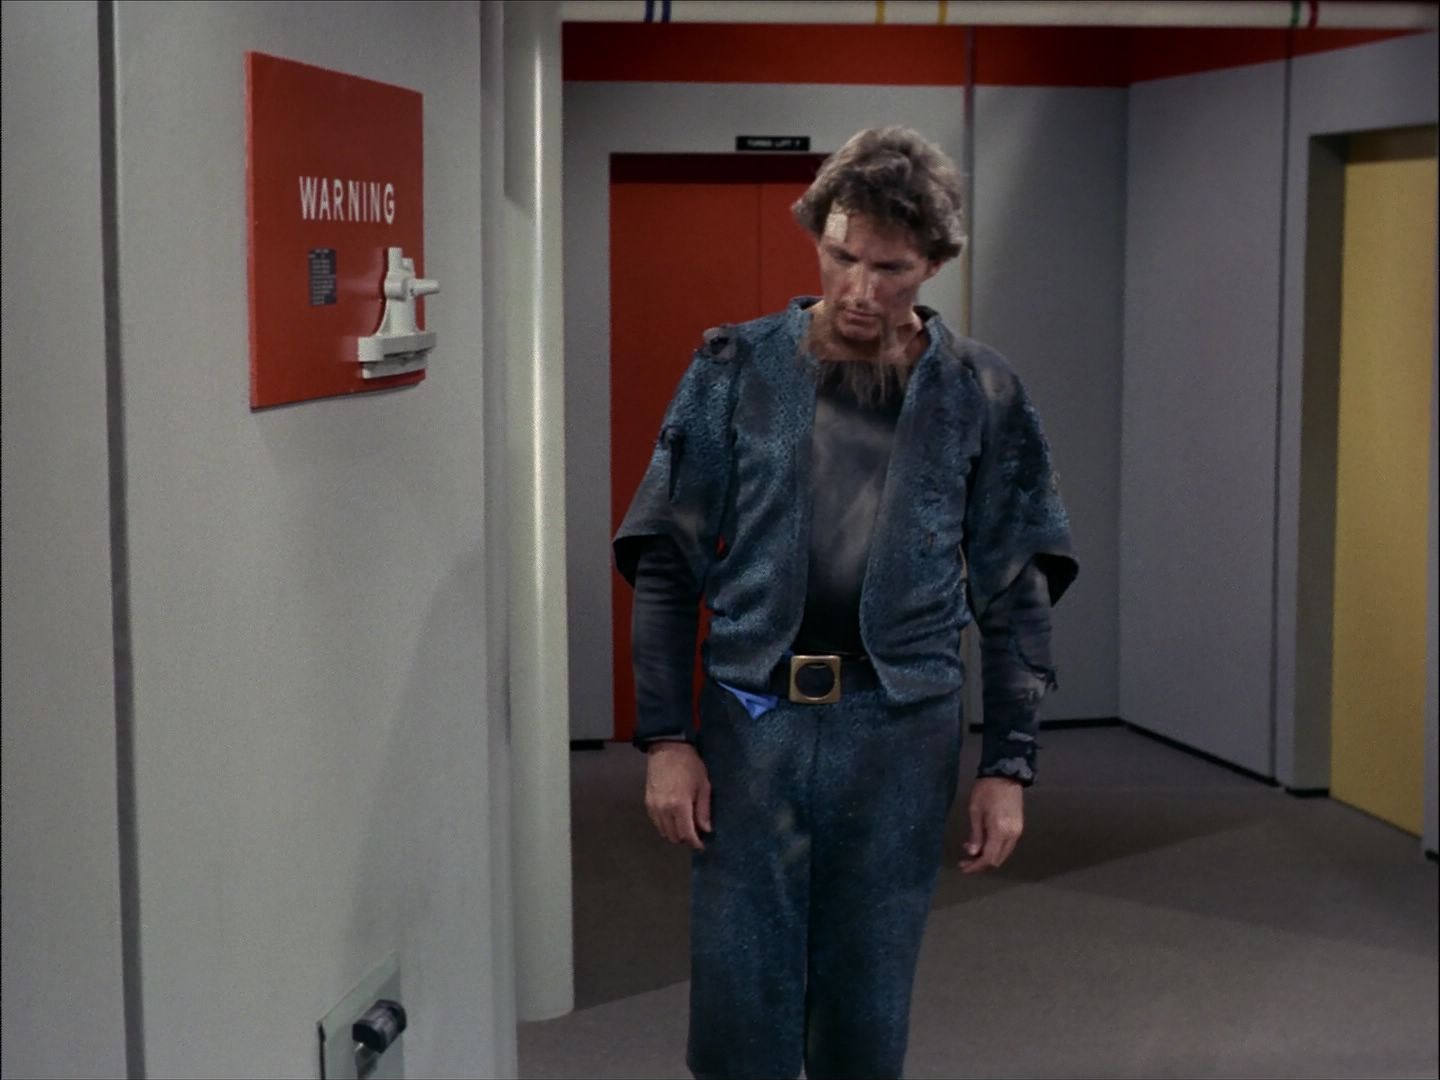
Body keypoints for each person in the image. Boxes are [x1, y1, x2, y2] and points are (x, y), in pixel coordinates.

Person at [612, 126, 1078, 1080]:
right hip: (753, 718)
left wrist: (1009, 764)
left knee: (869, 992)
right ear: (818, 238)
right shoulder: (733, 368)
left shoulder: (980, 391)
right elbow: (666, 562)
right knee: (740, 995)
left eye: (889, 268)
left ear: (935, 263)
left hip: (899, 726)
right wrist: (665, 741)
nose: (859, 289)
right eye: (840, 257)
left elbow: (1015, 585)